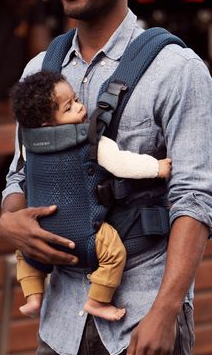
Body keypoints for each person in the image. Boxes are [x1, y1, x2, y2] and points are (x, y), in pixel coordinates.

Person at [0, 0, 212, 355]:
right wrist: (10, 219)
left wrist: (167, 311)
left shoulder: (176, 70)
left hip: (146, 307)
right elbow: (19, 173)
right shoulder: (42, 67)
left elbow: (196, 199)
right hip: (64, 320)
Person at [9, 70, 172, 321]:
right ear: (46, 123)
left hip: (41, 231)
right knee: (113, 253)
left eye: (75, 99)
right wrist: (157, 168)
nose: (80, 106)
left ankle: (33, 296)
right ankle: (97, 301)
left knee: (25, 254)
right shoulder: (91, 139)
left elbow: (20, 174)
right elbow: (122, 164)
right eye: (69, 107)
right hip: (84, 232)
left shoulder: (28, 144)